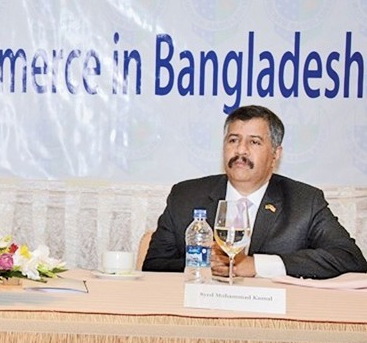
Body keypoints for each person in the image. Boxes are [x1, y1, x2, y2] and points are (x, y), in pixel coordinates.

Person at [143, 105, 367, 279]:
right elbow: (153, 265)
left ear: (275, 154)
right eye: (233, 140)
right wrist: (203, 264)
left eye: (254, 142)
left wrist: (256, 265)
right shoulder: (185, 196)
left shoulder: (304, 202)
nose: (241, 150)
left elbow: (350, 259)